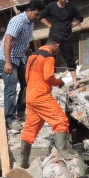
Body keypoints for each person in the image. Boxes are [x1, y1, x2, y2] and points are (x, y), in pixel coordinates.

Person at [19, 38, 78, 167]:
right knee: (61, 121)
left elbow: (26, 77)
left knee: (30, 128)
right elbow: (48, 77)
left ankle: (23, 161)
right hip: (41, 96)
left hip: (30, 96)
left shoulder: (32, 56)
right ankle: (63, 151)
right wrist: (59, 82)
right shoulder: (49, 57)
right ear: (57, 45)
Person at [0, 0, 45, 129]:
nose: (38, 17)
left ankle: (20, 112)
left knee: (27, 83)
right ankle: (10, 119)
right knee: (11, 89)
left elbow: (25, 43)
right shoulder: (18, 21)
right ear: (28, 10)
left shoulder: (30, 23)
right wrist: (8, 62)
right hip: (7, 59)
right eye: (36, 14)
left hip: (20, 58)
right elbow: (7, 41)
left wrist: (29, 59)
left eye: (39, 15)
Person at [40, 0, 83, 88]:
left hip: (66, 36)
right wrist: (49, 25)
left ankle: (75, 81)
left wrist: (72, 25)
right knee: (47, 55)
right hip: (54, 36)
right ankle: (44, 79)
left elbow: (80, 18)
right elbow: (41, 17)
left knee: (70, 59)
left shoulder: (71, 7)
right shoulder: (51, 6)